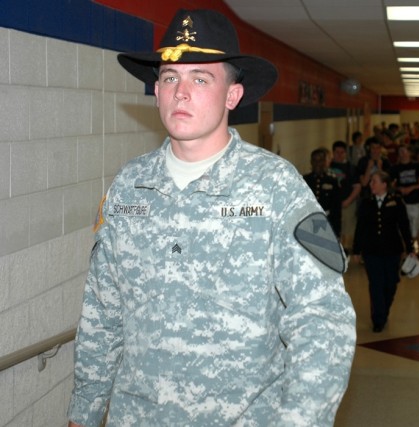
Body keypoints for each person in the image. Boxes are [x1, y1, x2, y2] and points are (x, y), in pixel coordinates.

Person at [67, 9, 356, 427]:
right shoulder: (130, 186)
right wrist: (84, 412)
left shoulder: (275, 188)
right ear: (157, 89)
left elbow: (322, 320)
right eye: (170, 78)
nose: (180, 93)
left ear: (232, 96)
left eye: (200, 79)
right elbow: (102, 311)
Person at [352, 171, 415, 333]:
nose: (371, 184)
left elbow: (404, 226)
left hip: (392, 250)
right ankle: (378, 319)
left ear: (384, 184)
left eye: (374, 182)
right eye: (371, 181)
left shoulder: (396, 202)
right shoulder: (366, 203)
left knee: (391, 283)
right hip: (371, 251)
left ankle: (384, 310)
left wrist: (410, 249)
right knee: (376, 284)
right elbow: (360, 228)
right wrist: (356, 251)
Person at [391, 145, 419, 249]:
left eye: (404, 151)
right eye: (400, 151)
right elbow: (389, 184)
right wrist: (399, 189)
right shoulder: (395, 168)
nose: (402, 154)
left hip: (415, 201)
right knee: (402, 227)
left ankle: (417, 249)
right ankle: (406, 250)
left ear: (410, 153)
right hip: (401, 202)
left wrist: (412, 188)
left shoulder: (416, 166)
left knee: (416, 227)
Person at [329, 140, 361, 253]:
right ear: (333, 152)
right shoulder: (328, 166)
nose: (339, 155)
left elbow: (357, 187)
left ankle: (345, 252)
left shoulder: (351, 168)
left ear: (345, 153)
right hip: (332, 206)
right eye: (337, 152)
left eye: (342, 152)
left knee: (347, 231)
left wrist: (348, 201)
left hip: (348, 204)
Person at [305, 147, 342, 238]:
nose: (318, 164)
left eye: (321, 160)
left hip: (327, 222)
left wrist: (336, 232)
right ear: (311, 162)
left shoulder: (332, 181)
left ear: (326, 162)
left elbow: (336, 209)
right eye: (315, 160)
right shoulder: (305, 180)